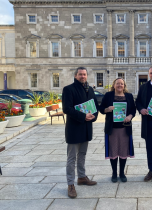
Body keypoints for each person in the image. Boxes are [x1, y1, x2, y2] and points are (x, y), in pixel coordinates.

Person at [62, 67, 99, 198]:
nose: (83, 76)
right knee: (71, 157)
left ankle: (82, 177)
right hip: (74, 128)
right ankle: (70, 184)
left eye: (84, 74)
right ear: (76, 76)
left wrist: (94, 116)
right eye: (80, 74)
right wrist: (83, 116)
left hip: (86, 128)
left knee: (82, 154)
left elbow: (95, 106)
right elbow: (67, 108)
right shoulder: (68, 89)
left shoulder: (90, 89)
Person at [99, 78, 136, 183]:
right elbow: (101, 109)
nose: (120, 85)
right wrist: (107, 109)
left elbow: (133, 109)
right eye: (117, 83)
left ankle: (122, 173)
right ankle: (114, 173)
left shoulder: (129, 96)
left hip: (125, 128)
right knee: (113, 151)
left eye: (122, 84)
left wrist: (129, 116)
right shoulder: (108, 95)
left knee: (124, 151)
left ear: (124, 86)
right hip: (112, 128)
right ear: (114, 85)